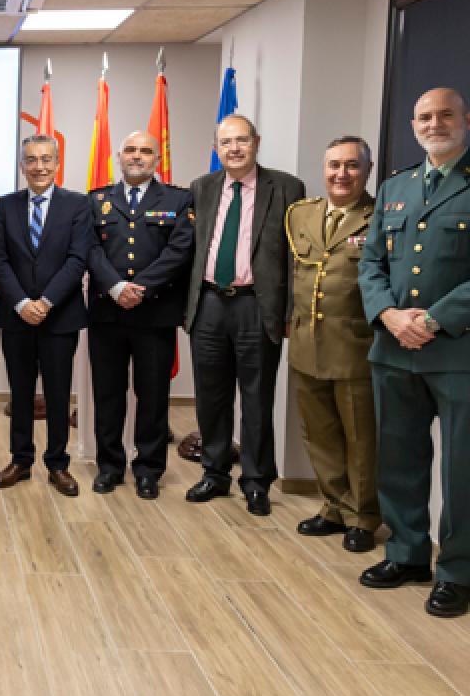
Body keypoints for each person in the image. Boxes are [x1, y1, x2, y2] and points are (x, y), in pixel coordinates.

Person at [359, 87, 470, 618]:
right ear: (412, 124)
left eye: (444, 114)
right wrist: (389, 316)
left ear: (465, 119)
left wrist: (432, 319)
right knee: (398, 459)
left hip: (455, 350)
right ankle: (406, 553)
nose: (434, 123)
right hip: (394, 347)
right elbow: (371, 263)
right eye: (424, 116)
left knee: (462, 467)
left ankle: (458, 569)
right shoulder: (395, 187)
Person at [183, 114, 305, 516]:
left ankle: (255, 481)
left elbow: (294, 257)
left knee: (256, 397)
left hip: (257, 305)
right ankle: (214, 474)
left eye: (241, 140)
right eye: (225, 142)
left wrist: (288, 311)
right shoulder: (201, 188)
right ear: (216, 147)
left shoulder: (286, 187)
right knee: (211, 397)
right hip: (210, 303)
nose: (233, 149)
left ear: (256, 141)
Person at [86, 131, 193, 500]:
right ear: (119, 156)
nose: (137, 156)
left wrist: (140, 288)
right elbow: (89, 251)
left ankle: (148, 469)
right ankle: (110, 466)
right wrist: (116, 288)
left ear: (157, 159)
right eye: (130, 150)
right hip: (107, 314)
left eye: (145, 151)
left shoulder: (179, 200)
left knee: (153, 396)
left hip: (155, 314)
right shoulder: (96, 200)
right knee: (108, 395)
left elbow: (179, 251)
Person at [287, 136, 379, 552]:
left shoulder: (379, 218)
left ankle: (362, 514)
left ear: (367, 170)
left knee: (359, 435)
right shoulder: (301, 216)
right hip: (307, 342)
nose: (341, 174)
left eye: (351, 166)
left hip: (354, 345)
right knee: (319, 431)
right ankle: (333, 506)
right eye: (334, 165)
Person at [0, 134, 92, 495]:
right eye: (31, 160)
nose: (39, 167)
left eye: (46, 159)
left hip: (60, 316)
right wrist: (20, 303)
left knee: (58, 393)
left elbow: (78, 260)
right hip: (16, 317)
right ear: (22, 166)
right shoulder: (5, 206)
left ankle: (58, 464)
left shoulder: (78, 205)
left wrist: (46, 302)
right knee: (19, 392)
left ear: (57, 163)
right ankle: (21, 460)